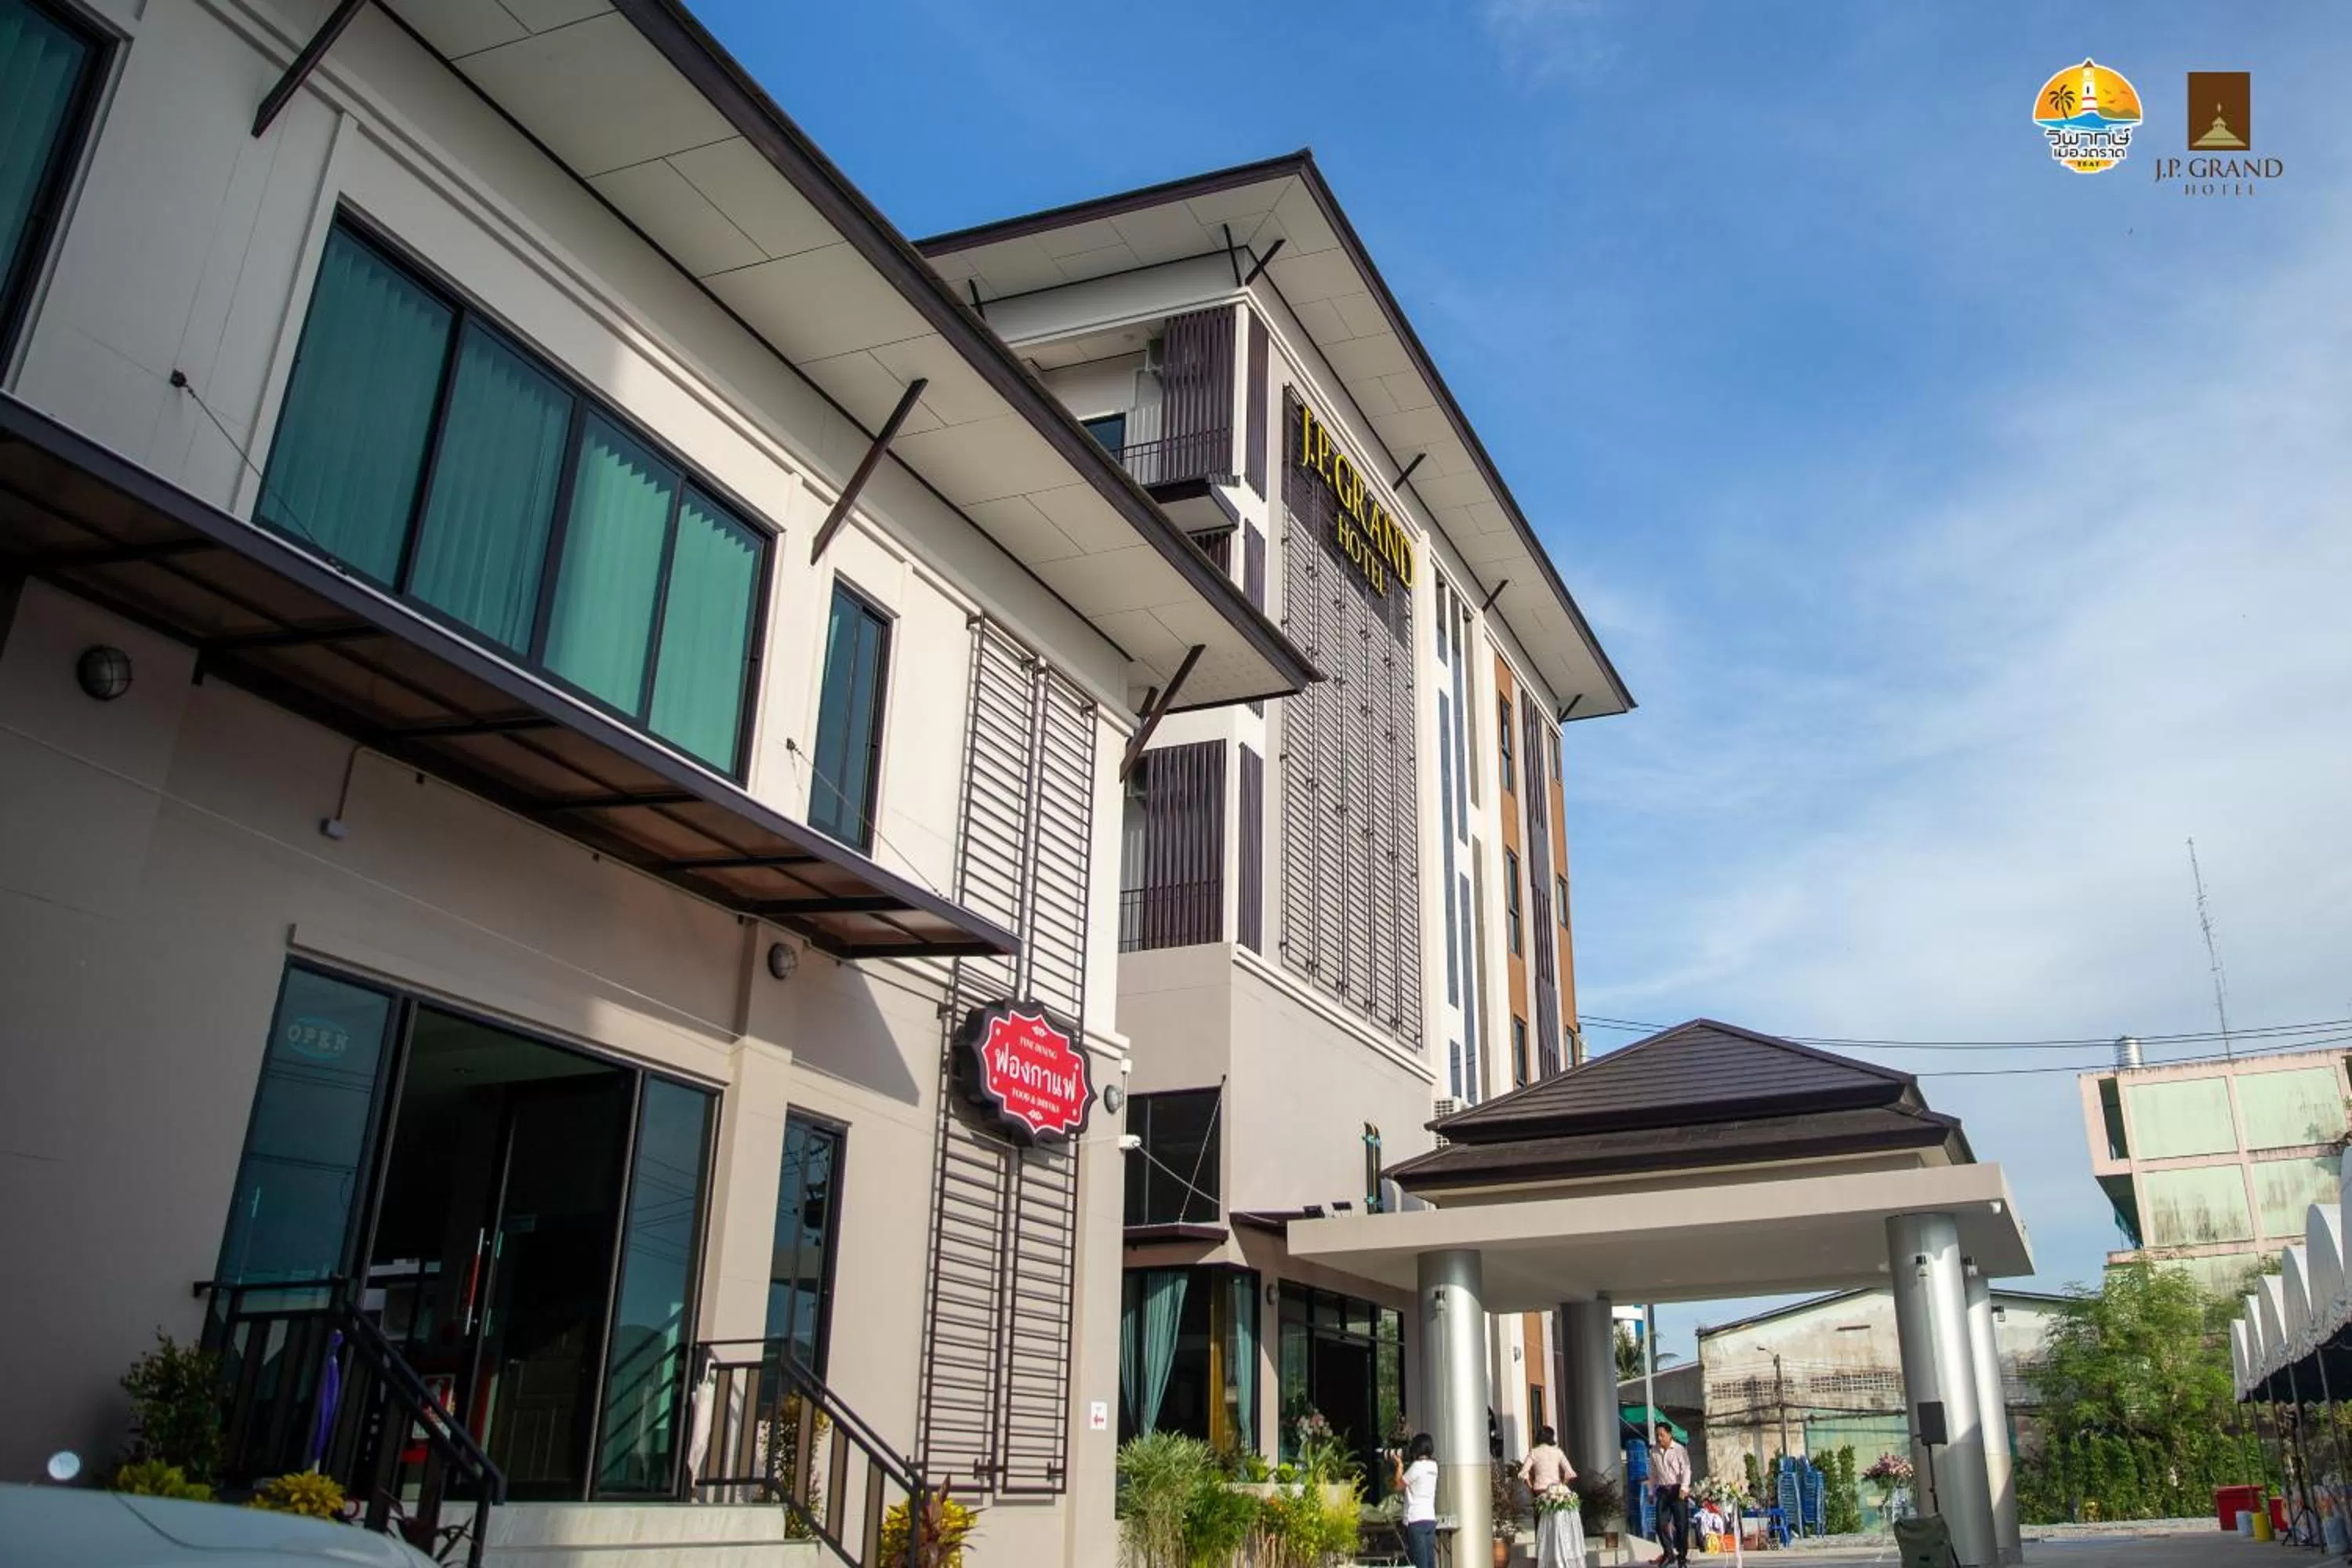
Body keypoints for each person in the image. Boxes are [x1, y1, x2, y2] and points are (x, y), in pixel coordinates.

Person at [1520, 1425, 1585, 1568]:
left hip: (1540, 1491)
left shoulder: (1534, 1452)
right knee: (1557, 1526)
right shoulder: (1558, 1452)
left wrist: (1530, 1487)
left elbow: (1523, 1473)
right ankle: (1559, 1557)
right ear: (1551, 1437)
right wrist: (1562, 1484)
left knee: (1541, 1525)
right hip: (1556, 1492)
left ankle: (1542, 1558)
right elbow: (1570, 1473)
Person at [1391, 1432, 1439, 1568]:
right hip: (1430, 1518)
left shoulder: (1417, 1467)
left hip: (1416, 1520)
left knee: (1420, 1563)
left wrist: (1400, 1466)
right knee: (1429, 1562)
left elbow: (1398, 1486)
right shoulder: (1434, 1466)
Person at [1649, 1421, 1692, 1567]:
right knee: (1660, 1524)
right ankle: (1669, 1553)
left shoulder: (1679, 1449)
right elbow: (1653, 1473)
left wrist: (1684, 1488)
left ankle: (1682, 1557)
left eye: (1662, 1435)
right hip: (1663, 1491)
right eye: (1657, 1435)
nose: (1659, 1438)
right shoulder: (1654, 1451)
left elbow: (1686, 1470)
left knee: (1681, 1525)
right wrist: (1650, 1492)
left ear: (1669, 1435)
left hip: (1678, 1490)